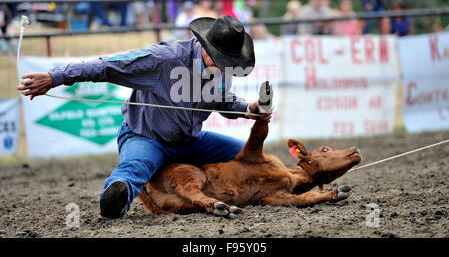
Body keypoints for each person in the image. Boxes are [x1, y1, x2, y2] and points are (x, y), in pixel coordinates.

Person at [17, 15, 272, 219]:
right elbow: (106, 65)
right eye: (225, 60)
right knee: (136, 167)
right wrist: (55, 77)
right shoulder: (164, 58)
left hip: (189, 140)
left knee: (244, 156)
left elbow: (222, 100)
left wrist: (248, 108)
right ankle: (116, 196)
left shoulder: (220, 69)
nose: (228, 66)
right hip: (146, 135)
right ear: (207, 50)